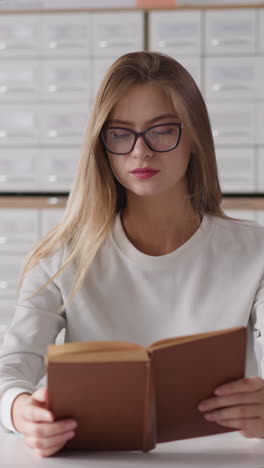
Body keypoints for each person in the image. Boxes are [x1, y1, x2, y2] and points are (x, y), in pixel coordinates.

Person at [0, 51, 264, 457]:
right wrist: (20, 411)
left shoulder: (255, 253)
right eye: (121, 133)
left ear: (193, 137)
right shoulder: (62, 257)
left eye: (161, 130)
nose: (140, 152)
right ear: (102, 145)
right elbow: (11, 368)